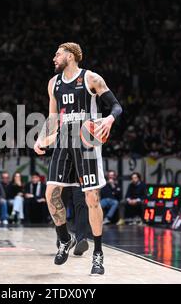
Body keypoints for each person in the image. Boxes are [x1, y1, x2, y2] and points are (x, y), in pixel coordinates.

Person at [34, 42, 123, 275]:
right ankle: (64, 239)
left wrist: (109, 119)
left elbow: (116, 106)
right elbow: (53, 120)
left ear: (71, 55)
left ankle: (98, 254)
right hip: (64, 141)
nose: (54, 57)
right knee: (50, 194)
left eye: (57, 53)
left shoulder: (91, 78)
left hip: (87, 143)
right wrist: (42, 137)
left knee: (92, 198)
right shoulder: (53, 84)